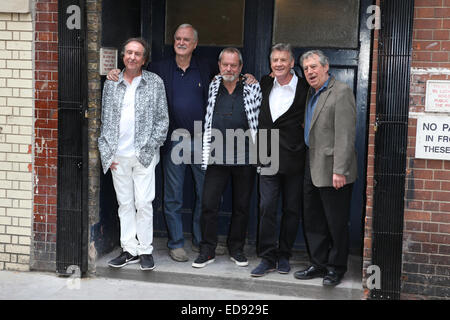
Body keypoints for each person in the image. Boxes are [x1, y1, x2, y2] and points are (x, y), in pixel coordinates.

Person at [108, 24, 256, 262]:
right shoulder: (159, 68)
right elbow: (135, 72)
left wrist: (248, 77)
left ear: (195, 44)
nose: (181, 42)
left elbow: (230, 75)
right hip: (175, 140)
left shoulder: (206, 66)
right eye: (177, 38)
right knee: (173, 196)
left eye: (186, 39)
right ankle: (176, 243)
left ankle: (201, 240)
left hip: (202, 139)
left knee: (205, 194)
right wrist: (115, 72)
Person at [98, 38, 169, 271]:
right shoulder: (112, 82)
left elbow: (162, 120)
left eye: (137, 54)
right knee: (125, 204)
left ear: (144, 59)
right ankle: (129, 249)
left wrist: (150, 148)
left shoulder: (154, 83)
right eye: (128, 52)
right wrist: (107, 150)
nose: (132, 57)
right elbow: (105, 119)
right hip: (118, 155)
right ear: (123, 56)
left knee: (144, 203)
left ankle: (145, 249)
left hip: (144, 155)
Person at [192, 47, 262, 268]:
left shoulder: (252, 87)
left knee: (241, 206)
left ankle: (237, 249)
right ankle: (207, 250)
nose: (229, 68)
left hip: (246, 156)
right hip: (216, 155)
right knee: (209, 204)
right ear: (219, 65)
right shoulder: (213, 85)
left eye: (234, 65)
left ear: (241, 67)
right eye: (225, 64)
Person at [294, 50, 357, 287]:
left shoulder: (340, 92)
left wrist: (340, 169)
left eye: (314, 67)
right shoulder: (311, 92)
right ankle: (318, 264)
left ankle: (336, 268)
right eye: (306, 68)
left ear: (326, 67)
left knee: (335, 221)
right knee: (313, 219)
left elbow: (346, 134)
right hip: (311, 164)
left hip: (333, 168)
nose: (310, 71)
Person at [250, 43, 308, 277]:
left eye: (283, 60)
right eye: (275, 60)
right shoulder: (263, 83)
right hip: (267, 156)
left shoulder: (305, 87)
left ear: (292, 63)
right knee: (266, 207)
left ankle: (284, 254)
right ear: (270, 63)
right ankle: (267, 257)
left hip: (295, 157)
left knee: (292, 209)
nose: (279, 64)